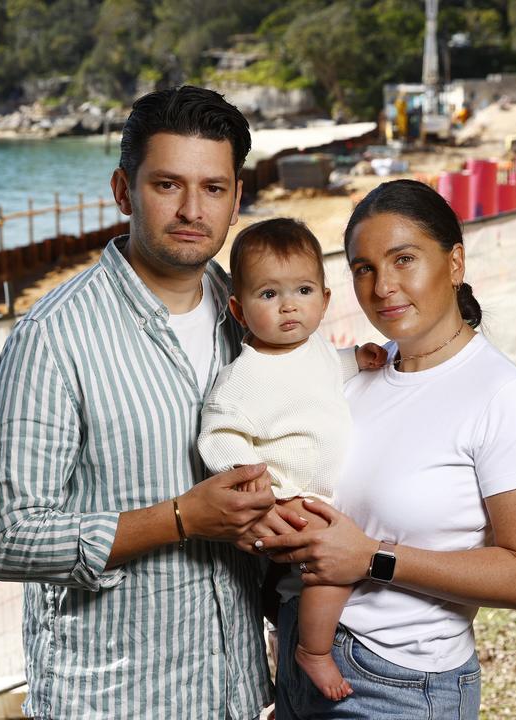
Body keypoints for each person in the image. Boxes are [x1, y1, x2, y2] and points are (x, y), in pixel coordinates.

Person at [0, 86, 301, 719]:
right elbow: (8, 538)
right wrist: (181, 518)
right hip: (113, 700)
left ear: (237, 199)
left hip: (235, 693)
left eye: (213, 188)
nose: (191, 209)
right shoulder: (52, 338)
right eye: (167, 185)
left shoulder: (252, 318)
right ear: (124, 191)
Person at [257, 179, 516, 719]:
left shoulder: (505, 397)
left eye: (404, 259)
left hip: (398, 685)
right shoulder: (352, 378)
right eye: (364, 268)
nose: (383, 287)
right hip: (298, 662)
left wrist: (374, 559)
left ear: (454, 263)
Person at [196, 218, 387, 702]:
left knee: (314, 576)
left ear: (324, 300)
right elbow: (218, 436)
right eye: (268, 295)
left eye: (302, 290)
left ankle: (288, 634)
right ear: (239, 309)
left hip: (321, 492)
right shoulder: (244, 377)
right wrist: (261, 490)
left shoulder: (316, 349)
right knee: (331, 566)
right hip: (289, 496)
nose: (288, 306)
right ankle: (313, 652)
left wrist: (355, 360)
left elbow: (321, 375)